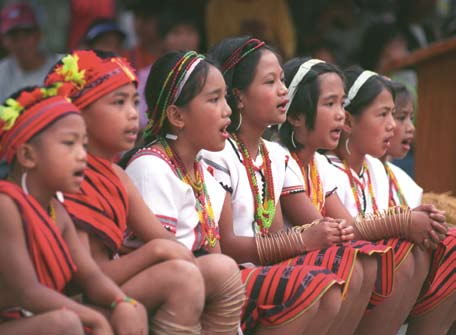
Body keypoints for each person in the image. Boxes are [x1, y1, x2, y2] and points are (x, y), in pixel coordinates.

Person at [122, 49, 344, 335]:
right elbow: (169, 257)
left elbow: (217, 250)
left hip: (207, 285)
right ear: (177, 116)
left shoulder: (200, 169)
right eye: (214, 100)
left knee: (329, 281)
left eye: (223, 98)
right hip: (168, 295)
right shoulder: (152, 168)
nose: (226, 109)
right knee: (306, 282)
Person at [45, 49, 244, 334]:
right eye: (118, 103)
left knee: (220, 269)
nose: (131, 114)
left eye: (134, 102)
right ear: (78, 115)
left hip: (109, 286)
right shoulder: (71, 179)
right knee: (181, 277)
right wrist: (155, 251)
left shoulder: (117, 176)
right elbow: (80, 279)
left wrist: (162, 249)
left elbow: (164, 242)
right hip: (80, 298)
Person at [0, 85, 147, 334]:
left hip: (38, 318)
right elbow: (28, 292)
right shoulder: (6, 205)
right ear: (27, 156)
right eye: (69, 144)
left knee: (130, 309)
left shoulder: (57, 211)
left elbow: (90, 277)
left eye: (84, 145)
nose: (82, 156)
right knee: (67, 323)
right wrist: (93, 318)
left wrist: (122, 302)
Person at [323, 67, 448, 334]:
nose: (393, 125)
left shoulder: (375, 168)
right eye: (384, 114)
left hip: (371, 279)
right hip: (344, 274)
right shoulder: (324, 168)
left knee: (443, 246)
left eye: (395, 115)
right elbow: (347, 232)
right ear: (348, 121)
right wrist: (404, 221)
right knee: (398, 256)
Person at [381, 81, 456, 335]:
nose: (408, 128)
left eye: (408, 118)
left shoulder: (403, 180)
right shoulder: (334, 171)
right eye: (395, 116)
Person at [0, 2, 61, 102]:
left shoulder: (60, 66)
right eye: (13, 36)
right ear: (3, 40)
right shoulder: (2, 72)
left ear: (39, 35)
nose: (20, 43)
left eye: (26, 34)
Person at [205, 0, 297, 59]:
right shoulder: (218, 6)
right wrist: (242, 39)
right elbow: (216, 56)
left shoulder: (275, 4)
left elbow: (287, 51)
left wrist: (261, 40)